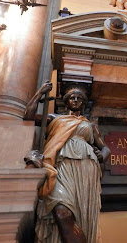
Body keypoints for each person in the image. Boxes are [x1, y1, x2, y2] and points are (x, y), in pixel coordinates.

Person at [24, 81, 110, 243]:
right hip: (60, 164)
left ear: (84, 103)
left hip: (86, 167)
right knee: (61, 212)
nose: (76, 100)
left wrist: (101, 155)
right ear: (66, 101)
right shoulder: (55, 118)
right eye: (72, 97)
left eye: (79, 98)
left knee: (80, 213)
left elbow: (106, 149)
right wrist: (40, 92)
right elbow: (28, 115)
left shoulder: (89, 125)